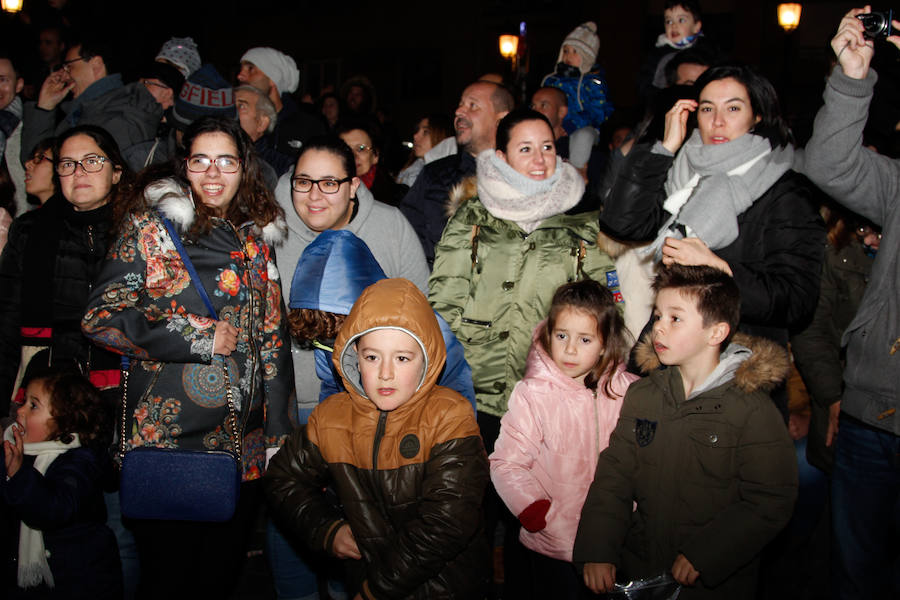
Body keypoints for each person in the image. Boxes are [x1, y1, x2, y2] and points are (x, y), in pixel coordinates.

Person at [80, 116, 293, 596]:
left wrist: (280, 434)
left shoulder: (255, 236)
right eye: (201, 160)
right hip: (173, 440)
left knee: (220, 579)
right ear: (184, 166)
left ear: (245, 168)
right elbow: (100, 317)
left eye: (227, 161)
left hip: (245, 449)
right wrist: (196, 336)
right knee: (170, 581)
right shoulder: (151, 229)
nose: (214, 174)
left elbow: (273, 339)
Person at [429, 107, 622, 597]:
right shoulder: (472, 217)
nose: (539, 160)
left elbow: (603, 307)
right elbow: (443, 305)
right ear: (501, 156)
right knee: (467, 518)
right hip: (474, 393)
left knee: (535, 522)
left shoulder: (584, 220)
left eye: (548, 147)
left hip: (547, 398)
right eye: (525, 148)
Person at [574, 264, 798, 599]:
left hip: (712, 582)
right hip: (641, 568)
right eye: (658, 315)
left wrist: (706, 553)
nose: (658, 328)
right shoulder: (644, 395)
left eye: (675, 318)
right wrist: (598, 548)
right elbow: (614, 476)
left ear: (716, 333)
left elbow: (769, 499)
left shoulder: (752, 410)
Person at [264, 277, 490, 600]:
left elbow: (446, 524)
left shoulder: (450, 417)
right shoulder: (333, 417)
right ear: (354, 353)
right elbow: (281, 477)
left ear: (427, 357)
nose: (385, 373)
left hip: (445, 587)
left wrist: (376, 591)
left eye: (402, 358)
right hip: (366, 580)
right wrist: (327, 529)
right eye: (372, 357)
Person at [601, 64, 823, 352]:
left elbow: (797, 300)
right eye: (707, 109)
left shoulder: (784, 189)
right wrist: (664, 148)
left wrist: (719, 270)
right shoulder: (683, 172)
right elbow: (621, 224)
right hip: (668, 353)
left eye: (732, 109)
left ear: (756, 116)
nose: (717, 121)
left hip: (738, 364)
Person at [796, 6, 900, 597]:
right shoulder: (893, 187)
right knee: (854, 576)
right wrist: (853, 77)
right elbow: (829, 163)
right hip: (869, 415)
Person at [490, 280, 638, 599]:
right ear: (549, 333)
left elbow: (643, 463)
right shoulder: (533, 394)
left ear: (604, 342)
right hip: (554, 542)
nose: (570, 349)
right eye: (561, 336)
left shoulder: (629, 392)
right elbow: (506, 462)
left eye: (584, 339)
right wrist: (535, 510)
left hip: (616, 541)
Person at [272, 135, 429, 424]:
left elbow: (423, 317)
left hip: (369, 408)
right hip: (285, 409)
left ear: (353, 186)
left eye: (330, 183)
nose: (314, 195)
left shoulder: (389, 227)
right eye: (304, 182)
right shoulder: (268, 231)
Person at [0, 125, 130, 417]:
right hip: (45, 393)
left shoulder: (139, 233)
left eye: (92, 161)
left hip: (122, 392)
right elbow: (6, 321)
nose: (79, 172)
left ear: (117, 172)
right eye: (68, 164)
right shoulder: (31, 231)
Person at [2, 370, 121, 599]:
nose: (20, 410)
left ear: (66, 422)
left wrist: (18, 475)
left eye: (33, 405)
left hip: (77, 581)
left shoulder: (80, 462)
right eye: (24, 401)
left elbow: (54, 509)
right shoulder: (15, 452)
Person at [399, 80, 513, 266]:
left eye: (472, 105)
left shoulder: (523, 178)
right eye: (460, 104)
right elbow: (405, 238)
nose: (459, 111)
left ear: (500, 119)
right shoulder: (434, 174)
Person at [20, 32, 163, 172]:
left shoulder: (121, 117)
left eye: (69, 66)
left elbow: (47, 173)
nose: (64, 75)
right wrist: (45, 107)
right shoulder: (83, 113)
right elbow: (34, 166)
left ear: (96, 65)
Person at [540, 21, 614, 173]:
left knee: (583, 137)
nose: (569, 56)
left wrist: (573, 124)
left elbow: (599, 110)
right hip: (554, 125)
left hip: (582, 126)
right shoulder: (552, 80)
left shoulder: (593, 81)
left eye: (575, 52)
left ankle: (576, 173)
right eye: (566, 51)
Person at [237, 47, 325, 158]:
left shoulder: (309, 126)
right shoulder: (236, 120)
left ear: (273, 77)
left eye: (250, 68)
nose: (240, 76)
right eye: (241, 69)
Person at [337, 120, 406, 206]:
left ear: (375, 155)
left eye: (361, 149)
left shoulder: (399, 198)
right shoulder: (324, 192)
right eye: (345, 149)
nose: (353, 156)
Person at [396, 113, 452, 187]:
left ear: (440, 137)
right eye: (417, 130)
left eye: (425, 132)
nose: (415, 136)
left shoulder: (444, 181)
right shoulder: (413, 167)